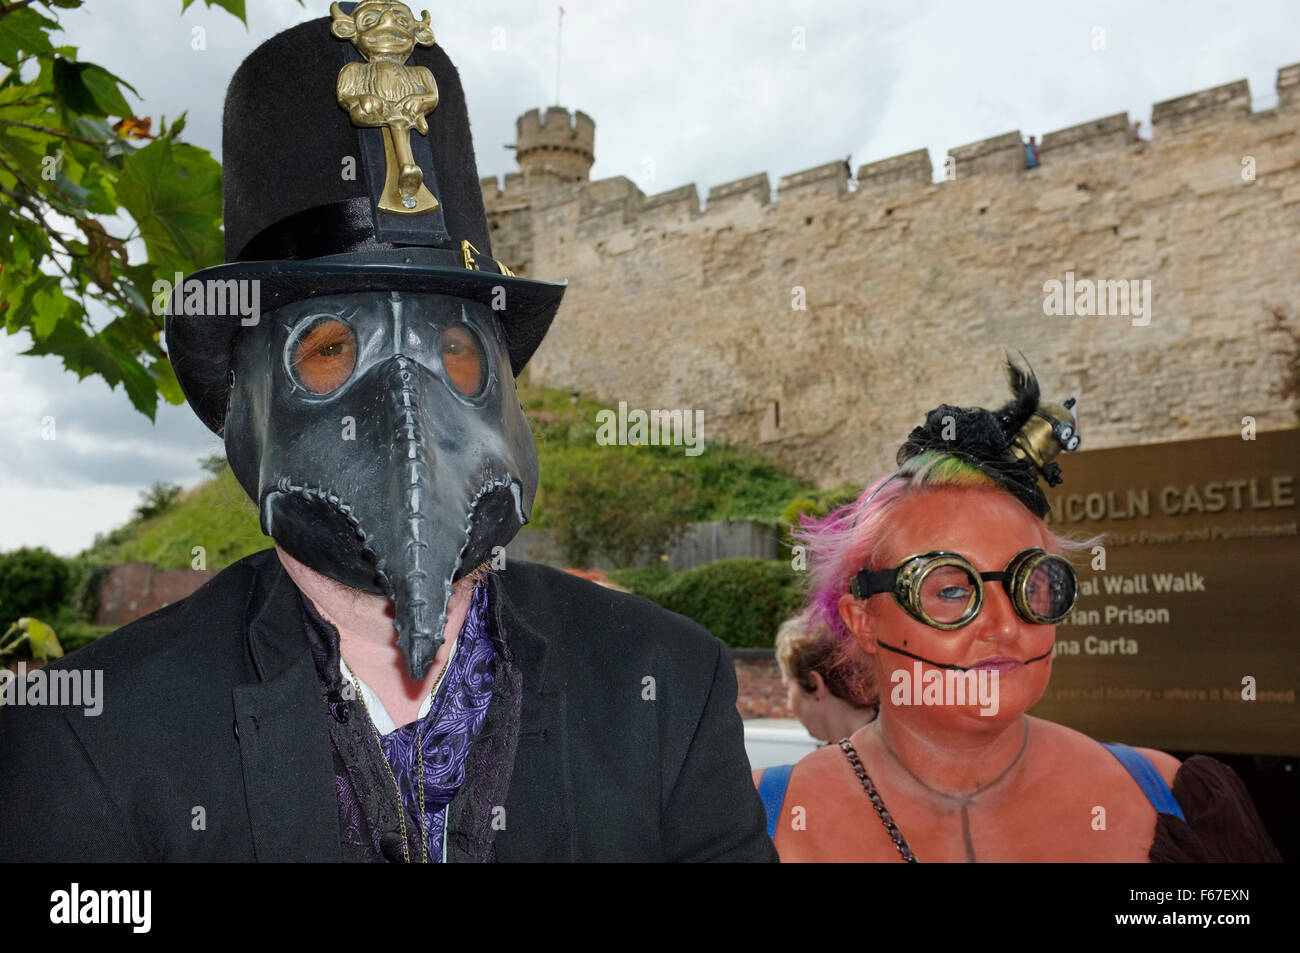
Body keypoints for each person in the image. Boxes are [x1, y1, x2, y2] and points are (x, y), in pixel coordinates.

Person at [0, 2, 775, 863]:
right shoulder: (92, 735)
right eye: (330, 352)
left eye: (454, 353)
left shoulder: (666, 686)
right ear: (247, 400)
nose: (408, 416)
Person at [766, 361, 1281, 862]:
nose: (1007, 625)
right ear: (864, 621)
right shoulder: (755, 821)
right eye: (950, 590)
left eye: (1030, 583)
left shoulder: (1171, 799)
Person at [753, 608, 877, 840]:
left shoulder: (832, 777)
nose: (789, 705)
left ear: (814, 684)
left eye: (788, 686)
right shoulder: (903, 752)